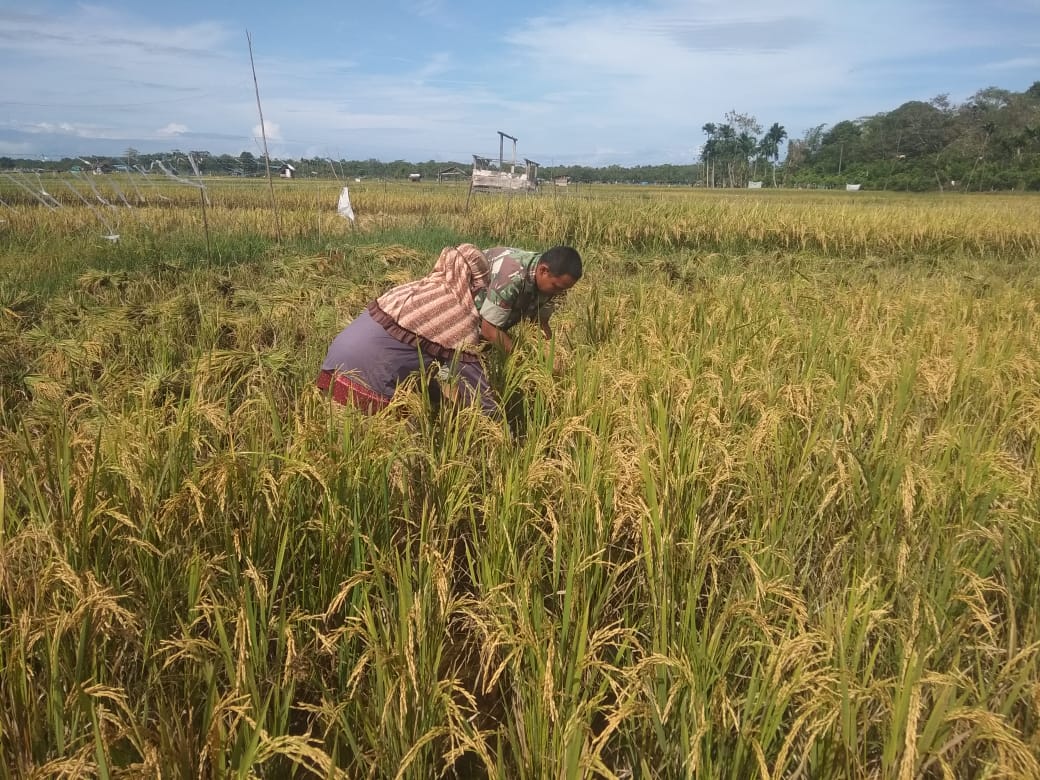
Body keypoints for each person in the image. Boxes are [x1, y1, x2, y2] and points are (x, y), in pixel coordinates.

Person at [317, 242, 582, 415]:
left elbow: (428, 366)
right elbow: (474, 385)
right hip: (365, 379)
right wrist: (496, 425)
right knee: (403, 451)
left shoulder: (418, 289)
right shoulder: (459, 320)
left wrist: (442, 403)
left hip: (332, 369)